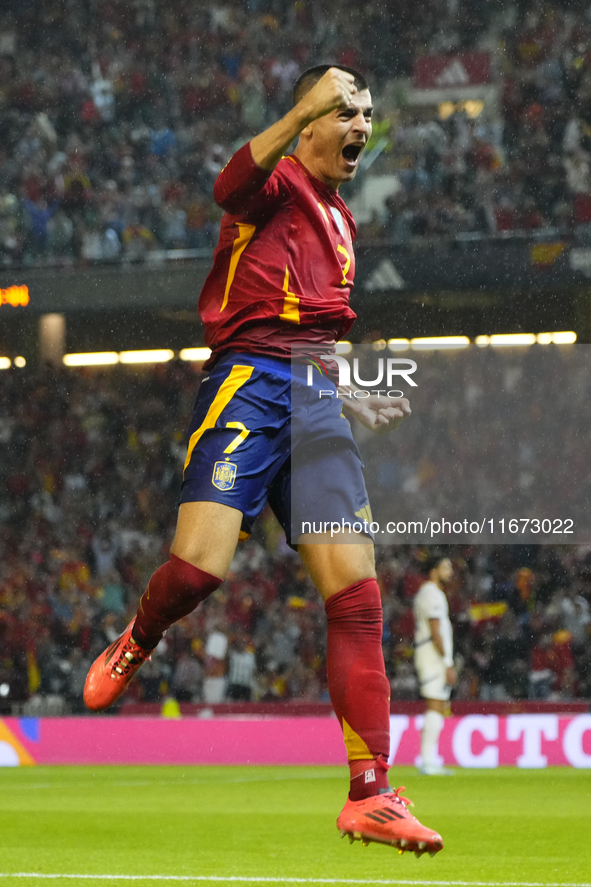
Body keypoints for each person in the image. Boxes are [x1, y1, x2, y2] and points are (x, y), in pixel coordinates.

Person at [84, 65, 443, 856]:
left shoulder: (344, 220)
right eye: (345, 110)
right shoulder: (271, 182)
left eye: (368, 114)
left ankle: (370, 792)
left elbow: (313, 335)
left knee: (356, 595)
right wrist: (298, 109)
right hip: (248, 383)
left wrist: (349, 392)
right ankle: (140, 634)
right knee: (199, 571)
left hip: (314, 401)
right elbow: (224, 185)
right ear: (308, 118)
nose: (360, 125)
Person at [413, 552, 457, 776]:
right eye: (445, 567)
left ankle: (429, 759)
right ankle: (428, 760)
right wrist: (448, 662)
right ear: (434, 570)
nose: (450, 571)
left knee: (437, 706)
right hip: (432, 657)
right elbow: (436, 631)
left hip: (430, 655)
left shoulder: (430, 593)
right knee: (435, 705)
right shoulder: (431, 594)